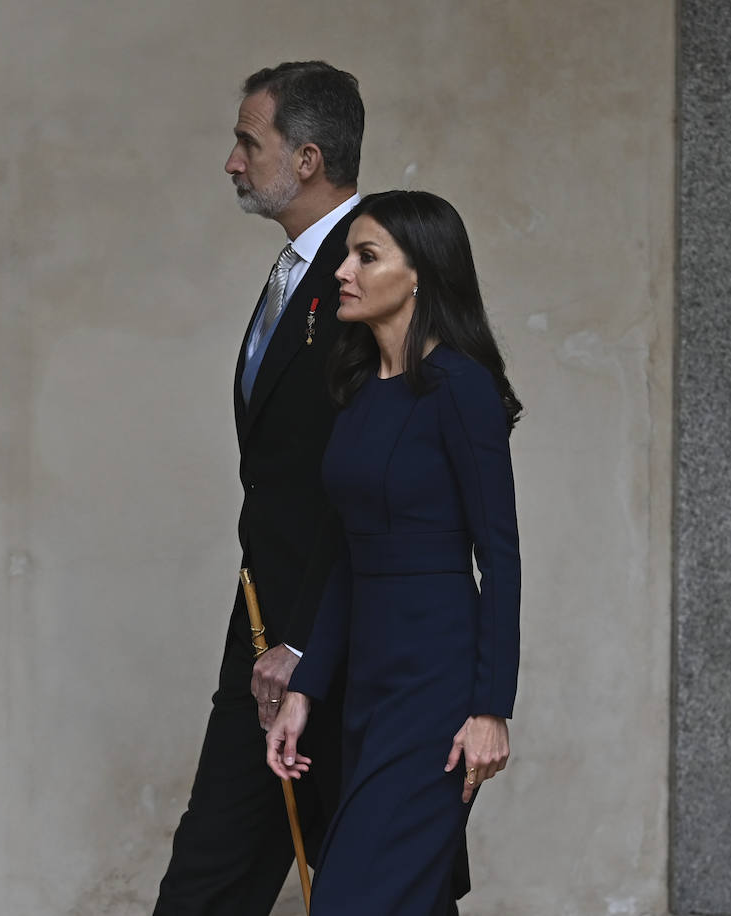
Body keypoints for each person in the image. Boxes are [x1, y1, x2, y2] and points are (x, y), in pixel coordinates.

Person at [267, 190, 523, 914]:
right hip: (366, 688)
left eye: (365, 255)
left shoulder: (461, 390)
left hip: (436, 688)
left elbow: (499, 555)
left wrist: (491, 707)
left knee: (352, 898)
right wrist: (307, 688)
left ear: (420, 274)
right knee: (408, 897)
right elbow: (350, 558)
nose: (342, 270)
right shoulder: (358, 393)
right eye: (347, 253)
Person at [152, 61, 362, 915]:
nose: (232, 161)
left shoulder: (369, 270)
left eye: (249, 140)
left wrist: (309, 644)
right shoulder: (295, 270)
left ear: (306, 157)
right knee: (210, 877)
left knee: (379, 889)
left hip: (341, 648)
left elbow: (375, 486)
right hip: (264, 636)